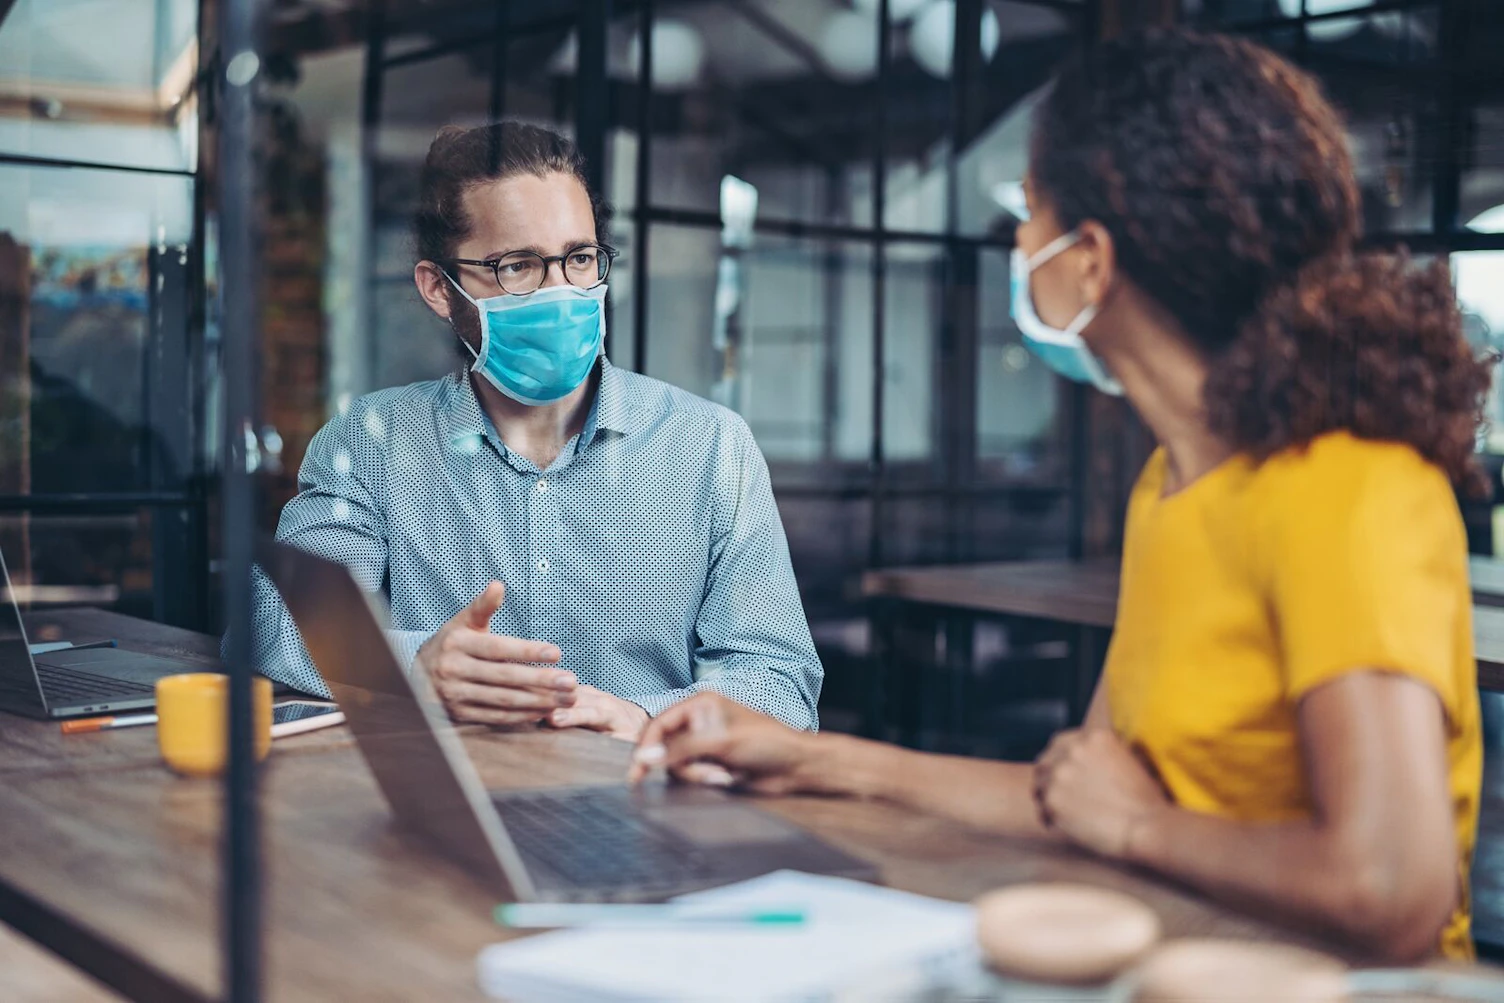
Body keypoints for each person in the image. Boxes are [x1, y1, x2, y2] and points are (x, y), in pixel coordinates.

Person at [629, 28, 1488, 963]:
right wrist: (808, 757)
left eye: (1028, 214)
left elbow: (1392, 885)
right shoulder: (1173, 483)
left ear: (1091, 261)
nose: (1016, 245)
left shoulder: (1341, 483)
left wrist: (1138, 830)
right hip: (1182, 960)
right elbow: (1076, 793)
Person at [251, 122, 822, 740]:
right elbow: (274, 626)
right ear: (439, 288)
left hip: (647, 812)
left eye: (579, 259)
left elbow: (779, 680)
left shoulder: (711, 447)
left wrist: (643, 718)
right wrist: (413, 665)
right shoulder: (369, 443)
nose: (562, 292)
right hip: (447, 814)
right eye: (517, 266)